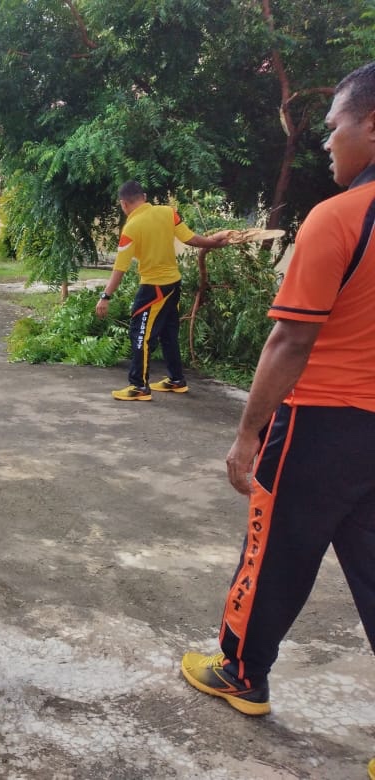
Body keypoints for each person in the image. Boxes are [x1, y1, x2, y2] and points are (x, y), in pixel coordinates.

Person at [179, 62, 375, 779]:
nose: (326, 144)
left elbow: (291, 337)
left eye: (333, 128)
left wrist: (248, 432)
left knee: (275, 554)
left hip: (322, 422)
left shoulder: (340, 217)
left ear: (372, 125)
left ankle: (241, 673)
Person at [96, 181, 230, 401]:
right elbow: (191, 239)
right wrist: (215, 243)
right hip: (173, 284)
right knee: (168, 333)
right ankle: (176, 380)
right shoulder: (168, 212)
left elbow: (120, 267)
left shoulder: (131, 227)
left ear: (124, 204)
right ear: (144, 196)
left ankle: (138, 386)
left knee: (140, 334)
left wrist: (106, 296)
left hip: (153, 287)